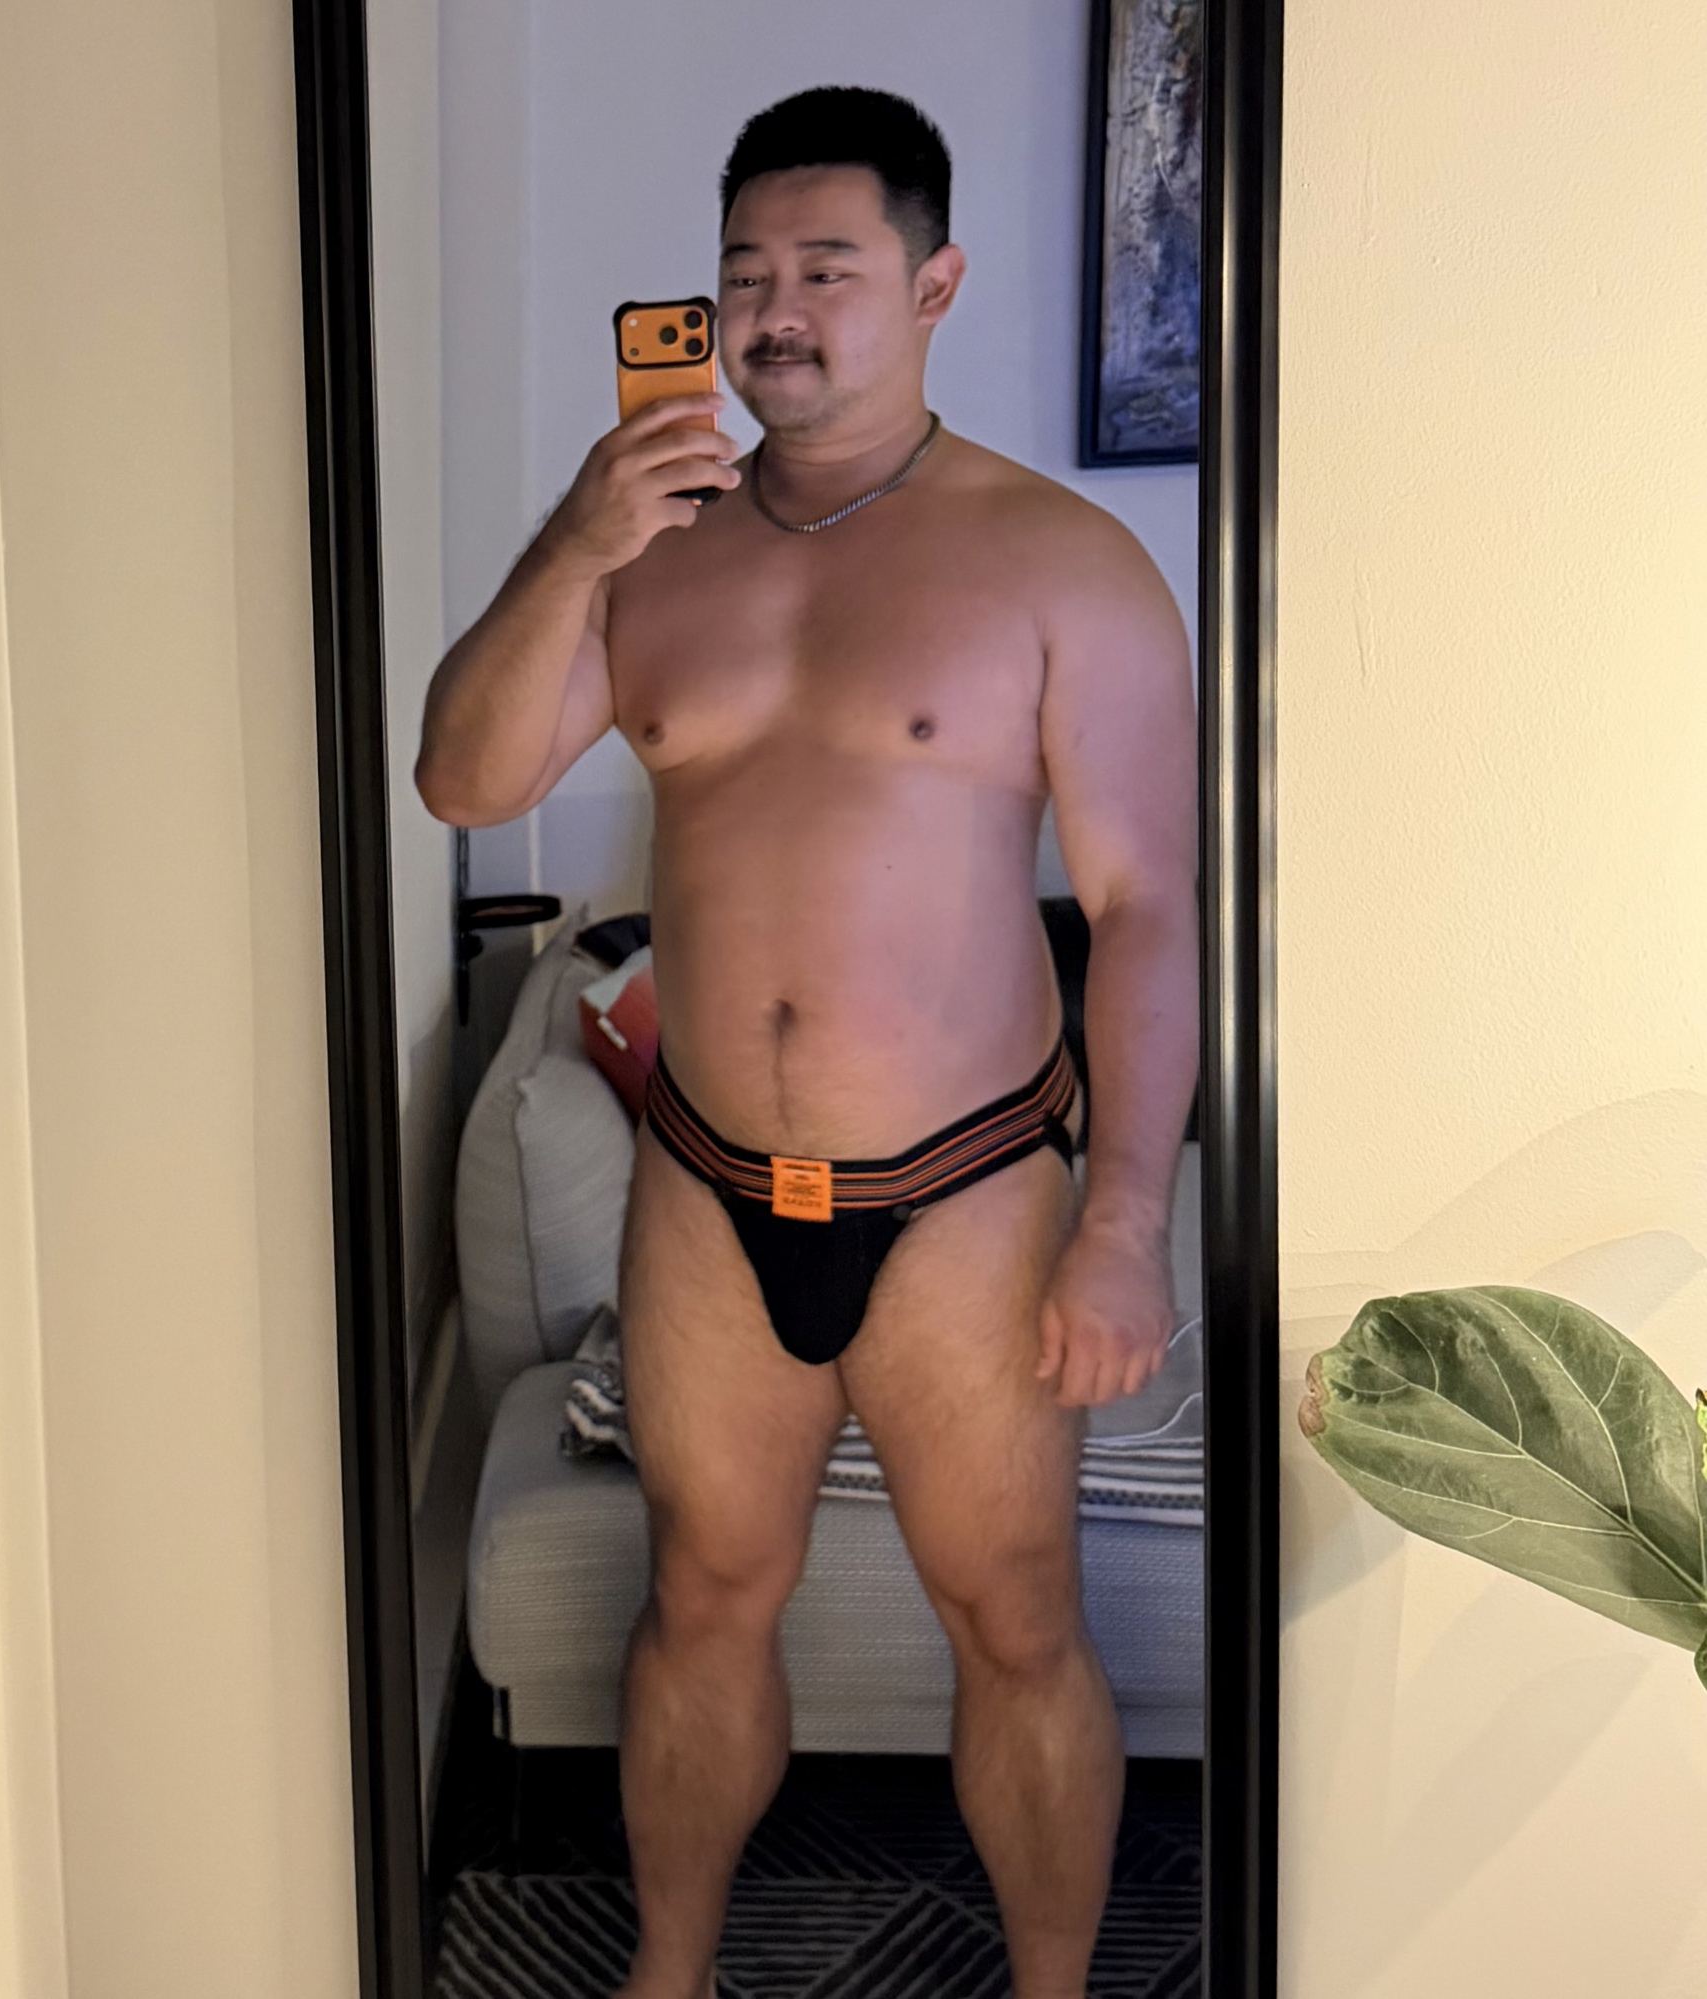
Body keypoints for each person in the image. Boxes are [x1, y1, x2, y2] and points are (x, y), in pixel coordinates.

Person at [417, 85, 1197, 1999]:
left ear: (933, 285)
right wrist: (576, 539)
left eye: (826, 269)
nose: (775, 311)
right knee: (701, 1595)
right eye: (745, 272)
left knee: (1014, 1618)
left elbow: (1148, 908)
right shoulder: (647, 553)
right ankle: (668, 1975)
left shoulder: (1062, 559)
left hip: (966, 1190)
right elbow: (464, 779)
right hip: (708, 1180)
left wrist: (1121, 1221)